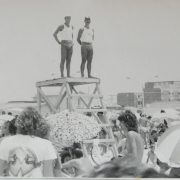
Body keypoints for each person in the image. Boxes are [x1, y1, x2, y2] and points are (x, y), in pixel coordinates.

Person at [0, 107, 57, 177]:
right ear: (40, 124)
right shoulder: (46, 144)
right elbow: (48, 175)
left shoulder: (6, 141)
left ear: (18, 123)